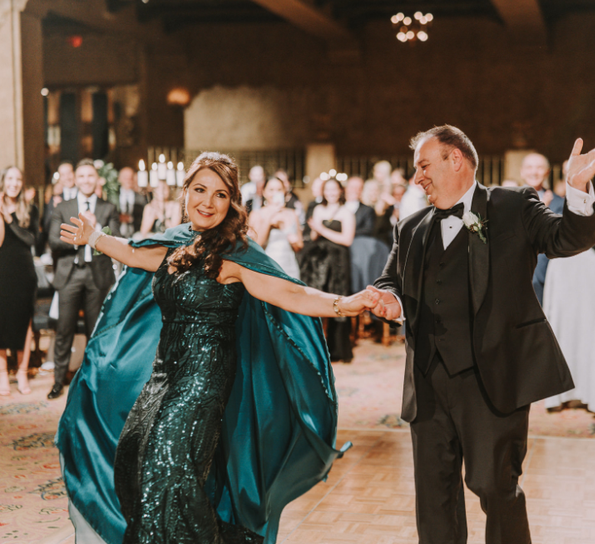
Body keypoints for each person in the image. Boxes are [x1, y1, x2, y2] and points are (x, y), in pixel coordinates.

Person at [55, 152, 377, 544]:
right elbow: (135, 254)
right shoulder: (174, 246)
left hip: (203, 383)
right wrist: (95, 238)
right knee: (136, 457)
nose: (208, 202)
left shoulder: (233, 256)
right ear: (185, 192)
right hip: (164, 376)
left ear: (232, 202)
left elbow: (291, 292)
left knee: (169, 467)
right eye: (200, 190)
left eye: (220, 194)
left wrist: (347, 303)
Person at [369, 125, 595, 544]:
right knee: (434, 499)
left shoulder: (512, 204)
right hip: (427, 383)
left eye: (423, 166)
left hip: (492, 380)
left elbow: (569, 238)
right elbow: (389, 282)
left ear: (456, 159)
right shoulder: (410, 227)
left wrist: (577, 187)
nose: (417, 178)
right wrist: (390, 303)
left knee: (496, 489)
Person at [47, 159, 121, 400]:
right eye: (82, 176)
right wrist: (81, 234)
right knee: (64, 330)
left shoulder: (108, 208)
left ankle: (95, 382)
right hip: (70, 275)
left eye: (91, 176)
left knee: (96, 331)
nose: (87, 180)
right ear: (76, 180)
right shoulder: (63, 207)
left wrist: (95, 229)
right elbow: (54, 240)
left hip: (97, 275)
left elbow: (117, 240)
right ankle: (58, 382)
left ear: (97, 179)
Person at [301, 178, 356, 362]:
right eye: (327, 189)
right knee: (317, 301)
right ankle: (316, 348)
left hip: (338, 260)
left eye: (334, 189)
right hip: (319, 260)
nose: (331, 193)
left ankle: (339, 349)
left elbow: (347, 240)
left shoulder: (346, 212)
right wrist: (315, 230)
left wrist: (321, 228)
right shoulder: (318, 209)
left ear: (340, 191)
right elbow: (315, 236)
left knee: (338, 300)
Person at [0, 167, 39, 395]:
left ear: (22, 183)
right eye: (10, 179)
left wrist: (9, 218)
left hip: (24, 271)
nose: (14, 183)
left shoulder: (30, 209)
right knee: (1, 320)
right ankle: (3, 373)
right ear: (3, 183)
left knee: (24, 321)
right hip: (2, 269)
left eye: (18, 179)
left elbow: (31, 239)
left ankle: (22, 372)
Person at [520, 152, 564, 305]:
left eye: (539, 167)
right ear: (522, 171)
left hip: (542, 271)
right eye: (529, 167)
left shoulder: (558, 203)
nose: (534, 172)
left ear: (547, 172)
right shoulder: (506, 199)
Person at [250, 177, 303, 279]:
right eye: (271, 190)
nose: (275, 193)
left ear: (284, 192)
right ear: (264, 192)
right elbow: (256, 245)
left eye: (279, 190)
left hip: (289, 267)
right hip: (266, 267)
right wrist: (270, 217)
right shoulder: (256, 214)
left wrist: (293, 240)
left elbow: (299, 246)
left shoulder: (292, 214)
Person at [117, 166, 147, 237]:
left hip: (136, 235)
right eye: (125, 178)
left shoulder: (141, 198)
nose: (128, 180)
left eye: (130, 178)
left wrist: (132, 219)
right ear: (119, 179)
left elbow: (144, 218)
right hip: (117, 235)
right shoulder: (113, 196)